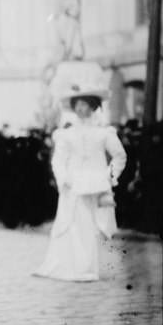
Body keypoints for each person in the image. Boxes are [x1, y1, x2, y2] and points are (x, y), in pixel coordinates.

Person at [33, 82, 127, 282]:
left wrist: (107, 178)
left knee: (88, 227)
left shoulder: (104, 133)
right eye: (77, 104)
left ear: (93, 106)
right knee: (69, 224)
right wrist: (63, 177)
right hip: (72, 184)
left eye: (85, 104)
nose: (80, 108)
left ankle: (86, 268)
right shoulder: (67, 134)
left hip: (95, 185)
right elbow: (58, 159)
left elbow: (119, 156)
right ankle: (65, 266)